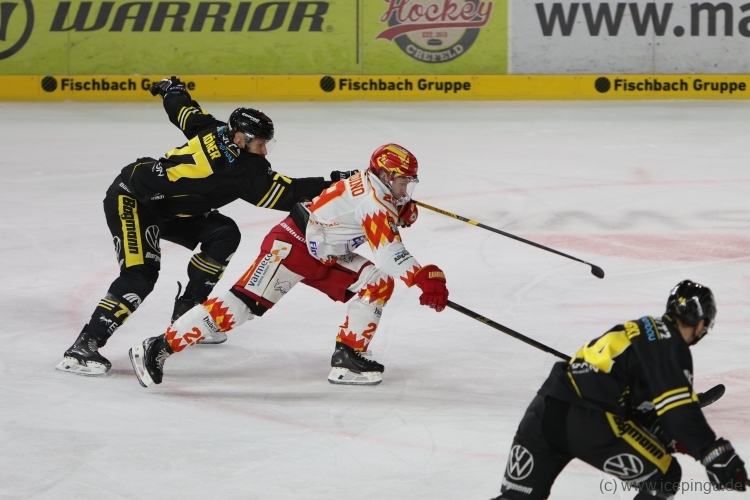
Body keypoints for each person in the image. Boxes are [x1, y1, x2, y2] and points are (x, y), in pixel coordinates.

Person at [57, 76, 350, 376]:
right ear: (241, 140)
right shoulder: (243, 170)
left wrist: (172, 90)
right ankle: (83, 347)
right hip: (132, 200)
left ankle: (188, 313)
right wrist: (338, 183)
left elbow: (184, 111)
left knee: (223, 234)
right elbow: (290, 193)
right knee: (139, 275)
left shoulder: (215, 129)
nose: (264, 151)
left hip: (169, 206)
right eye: (261, 144)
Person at [128, 143, 448, 387]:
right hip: (292, 247)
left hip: (324, 250)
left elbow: (366, 213)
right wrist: (423, 277)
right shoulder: (374, 201)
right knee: (241, 307)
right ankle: (158, 346)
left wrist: (399, 208)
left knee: (376, 283)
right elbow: (389, 253)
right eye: (403, 182)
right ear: (386, 176)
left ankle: (348, 357)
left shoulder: (371, 183)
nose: (406, 189)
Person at [491, 280, 747, 499]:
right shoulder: (670, 345)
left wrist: (661, 430)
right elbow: (677, 411)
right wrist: (713, 453)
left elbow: (632, 399)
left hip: (544, 411)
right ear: (701, 324)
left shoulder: (638, 331)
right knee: (664, 476)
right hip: (589, 420)